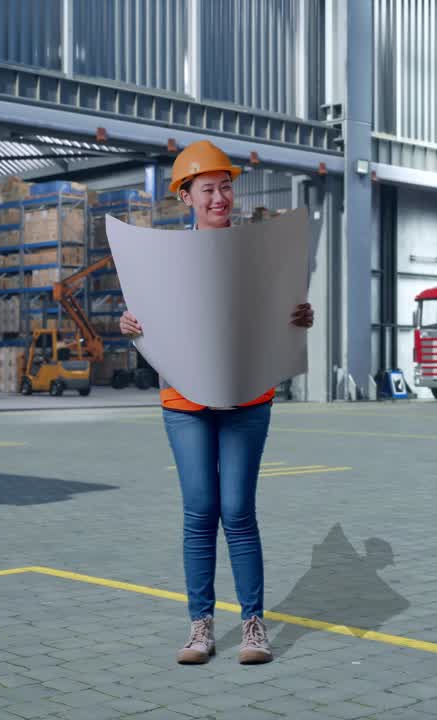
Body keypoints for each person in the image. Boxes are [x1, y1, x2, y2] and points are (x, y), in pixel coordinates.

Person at [118, 139, 313, 666]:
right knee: (201, 511)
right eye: (208, 189)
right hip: (184, 402)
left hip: (247, 397)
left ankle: (253, 626)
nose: (220, 197)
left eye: (225, 187)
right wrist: (128, 324)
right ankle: (200, 628)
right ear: (187, 197)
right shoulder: (164, 258)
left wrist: (299, 318)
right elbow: (147, 316)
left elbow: (280, 309)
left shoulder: (258, 253)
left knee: (237, 511)